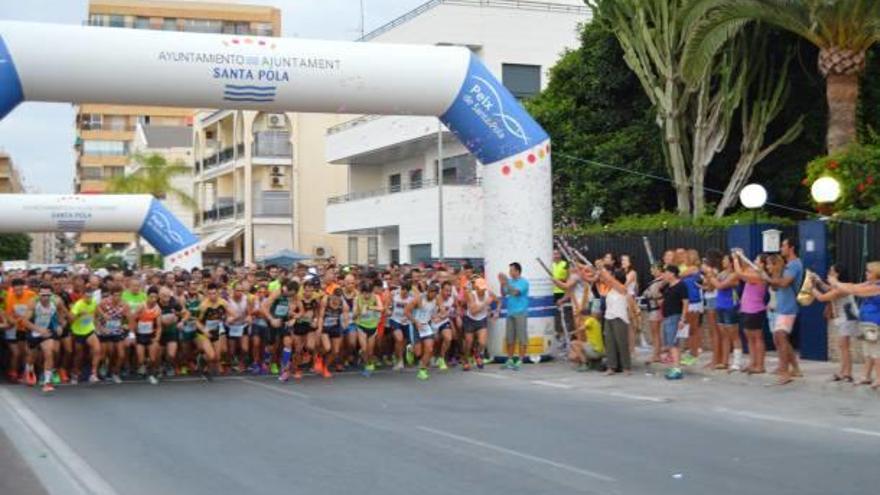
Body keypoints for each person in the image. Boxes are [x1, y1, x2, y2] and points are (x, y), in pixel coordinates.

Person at [829, 261, 880, 389]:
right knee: (868, 352)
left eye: (869, 272)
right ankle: (866, 376)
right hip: (868, 325)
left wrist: (835, 282)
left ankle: (879, 379)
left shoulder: (876, 287)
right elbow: (852, 285)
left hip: (876, 324)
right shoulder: (870, 284)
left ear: (876, 274)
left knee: (876, 353)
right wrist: (836, 284)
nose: (866, 273)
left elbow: (855, 290)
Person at [811, 265, 859, 382]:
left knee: (844, 347)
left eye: (831, 271)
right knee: (842, 346)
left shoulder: (842, 288)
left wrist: (811, 288)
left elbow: (823, 297)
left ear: (837, 274)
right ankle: (843, 372)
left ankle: (847, 373)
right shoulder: (839, 286)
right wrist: (818, 281)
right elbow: (829, 289)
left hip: (847, 318)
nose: (829, 273)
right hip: (844, 318)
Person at [766, 238, 804, 385]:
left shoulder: (794, 265)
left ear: (791, 248)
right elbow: (778, 285)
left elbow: (784, 283)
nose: (781, 248)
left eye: (784, 245)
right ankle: (794, 368)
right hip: (783, 306)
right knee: (780, 338)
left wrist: (768, 278)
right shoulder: (788, 265)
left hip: (788, 307)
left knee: (780, 336)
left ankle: (785, 372)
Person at [704, 254, 743, 371]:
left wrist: (711, 277)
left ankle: (737, 362)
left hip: (730, 305)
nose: (723, 261)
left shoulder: (735, 274)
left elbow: (720, 286)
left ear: (731, 262)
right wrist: (709, 277)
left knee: (734, 334)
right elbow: (711, 287)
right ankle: (724, 361)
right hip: (720, 305)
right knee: (724, 335)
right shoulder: (721, 273)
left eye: (725, 259)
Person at [733, 251, 768, 375]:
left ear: (763, 264)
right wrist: (741, 255)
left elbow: (740, 274)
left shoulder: (760, 276)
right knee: (749, 338)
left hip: (755, 309)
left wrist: (736, 260)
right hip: (746, 309)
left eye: (758, 260)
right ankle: (753, 363)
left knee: (757, 337)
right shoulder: (753, 272)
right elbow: (744, 268)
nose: (755, 262)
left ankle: (760, 365)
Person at [598, 267, 636, 375]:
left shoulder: (623, 289)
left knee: (622, 343)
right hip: (608, 318)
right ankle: (611, 367)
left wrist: (603, 270)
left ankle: (626, 367)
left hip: (620, 318)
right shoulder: (610, 290)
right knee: (610, 343)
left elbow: (610, 280)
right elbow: (604, 280)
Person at [24, 284, 62, 392]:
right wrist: (39, 330)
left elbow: (59, 314)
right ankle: (29, 371)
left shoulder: (56, 301)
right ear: (39, 294)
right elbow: (25, 321)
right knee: (32, 357)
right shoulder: (33, 302)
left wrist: (59, 325)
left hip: (47, 332)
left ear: (51, 295)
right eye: (43, 295)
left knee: (49, 353)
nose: (45, 297)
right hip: (33, 331)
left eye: (48, 295)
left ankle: (47, 382)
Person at [97, 283, 130, 383]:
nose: (117, 297)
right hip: (105, 331)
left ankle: (115, 373)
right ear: (111, 295)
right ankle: (102, 368)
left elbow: (129, 319)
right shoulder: (104, 302)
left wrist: (126, 325)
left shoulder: (124, 304)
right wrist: (101, 327)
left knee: (121, 354)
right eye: (115, 295)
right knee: (108, 353)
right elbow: (96, 317)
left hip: (117, 331)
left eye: (119, 295)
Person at [69, 286, 103, 384]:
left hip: (89, 330)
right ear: (83, 296)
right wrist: (79, 314)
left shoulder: (93, 303)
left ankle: (93, 374)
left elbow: (95, 315)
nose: (89, 299)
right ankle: (74, 374)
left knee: (97, 349)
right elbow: (70, 319)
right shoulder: (78, 305)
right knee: (79, 355)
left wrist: (99, 326)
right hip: (78, 332)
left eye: (90, 296)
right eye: (87, 296)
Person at [406, 283, 440, 381]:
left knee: (429, 349)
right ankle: (410, 348)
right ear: (427, 292)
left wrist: (435, 317)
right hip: (415, 325)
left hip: (426, 326)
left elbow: (433, 312)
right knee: (418, 353)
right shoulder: (418, 299)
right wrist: (415, 322)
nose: (432, 295)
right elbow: (406, 312)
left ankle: (422, 370)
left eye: (434, 293)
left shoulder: (436, 300)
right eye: (430, 292)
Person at [462, 278, 497, 371]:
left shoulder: (488, 293)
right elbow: (473, 311)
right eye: (480, 288)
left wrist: (496, 312)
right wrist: (485, 304)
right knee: (468, 342)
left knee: (482, 342)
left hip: (482, 320)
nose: (482, 290)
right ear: (476, 288)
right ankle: (465, 360)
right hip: (470, 320)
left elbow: (498, 300)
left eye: (484, 288)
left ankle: (477, 354)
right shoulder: (471, 295)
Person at [499, 262, 529, 370]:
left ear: (517, 271)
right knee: (509, 338)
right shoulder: (510, 282)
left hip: (521, 313)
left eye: (511, 270)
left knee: (521, 337)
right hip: (510, 312)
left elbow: (516, 292)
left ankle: (520, 360)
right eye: (509, 270)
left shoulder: (524, 282)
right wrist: (502, 284)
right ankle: (510, 359)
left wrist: (506, 282)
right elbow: (503, 294)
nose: (510, 272)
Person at [660, 265, 688, 379]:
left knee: (673, 343)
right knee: (669, 344)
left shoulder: (681, 285)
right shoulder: (668, 286)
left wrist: (683, 319)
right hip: (666, 317)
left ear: (672, 273)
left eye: (666, 272)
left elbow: (686, 303)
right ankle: (674, 366)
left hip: (675, 316)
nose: (665, 274)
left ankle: (677, 369)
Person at [5, 278, 35, 383]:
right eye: (15, 290)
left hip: (30, 328)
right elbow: (8, 315)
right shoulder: (9, 298)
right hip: (19, 329)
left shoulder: (31, 295)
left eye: (20, 290)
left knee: (28, 352)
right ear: (12, 289)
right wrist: (14, 321)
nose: (18, 292)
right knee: (21, 353)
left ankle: (27, 374)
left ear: (24, 287)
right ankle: (19, 372)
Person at [353, 279, 384, 377]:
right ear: (361, 292)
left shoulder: (376, 297)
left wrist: (369, 307)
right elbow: (353, 315)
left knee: (370, 351)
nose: (366, 296)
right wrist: (359, 312)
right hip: (361, 326)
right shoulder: (357, 299)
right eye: (364, 293)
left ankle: (369, 361)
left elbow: (381, 308)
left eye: (369, 293)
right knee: (365, 348)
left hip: (373, 326)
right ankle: (366, 365)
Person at [132, 287, 162, 385]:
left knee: (153, 358)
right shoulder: (141, 306)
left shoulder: (157, 309)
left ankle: (151, 375)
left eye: (155, 297)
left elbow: (159, 326)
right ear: (147, 297)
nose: (153, 299)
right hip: (140, 335)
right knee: (140, 359)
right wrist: (133, 334)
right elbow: (132, 319)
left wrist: (157, 337)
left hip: (151, 335)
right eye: (151, 297)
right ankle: (142, 367)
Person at [316, 287, 348, 378]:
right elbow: (321, 316)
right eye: (334, 298)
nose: (336, 300)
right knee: (327, 348)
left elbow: (346, 315)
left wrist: (345, 323)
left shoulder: (343, 303)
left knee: (335, 351)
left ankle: (325, 367)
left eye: (338, 298)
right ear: (332, 295)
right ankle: (319, 357)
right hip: (325, 327)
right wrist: (319, 328)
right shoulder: (325, 301)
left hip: (335, 327)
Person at [641, 264, 666, 364]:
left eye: (654, 269)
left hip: (656, 308)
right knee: (655, 333)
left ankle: (656, 355)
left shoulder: (661, 281)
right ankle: (657, 354)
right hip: (652, 308)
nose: (652, 271)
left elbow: (656, 294)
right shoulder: (657, 281)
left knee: (655, 333)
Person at [388, 280, 414, 371]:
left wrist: (408, 318)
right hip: (395, 320)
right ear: (401, 288)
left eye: (407, 290)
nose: (405, 291)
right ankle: (400, 361)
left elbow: (413, 311)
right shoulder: (394, 295)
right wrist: (389, 311)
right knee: (399, 339)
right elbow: (389, 306)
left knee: (402, 343)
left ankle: (397, 356)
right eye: (403, 289)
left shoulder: (412, 298)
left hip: (406, 322)